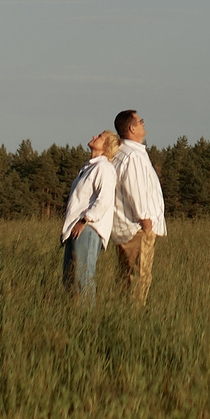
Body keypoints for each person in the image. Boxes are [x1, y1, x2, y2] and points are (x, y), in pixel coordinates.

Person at [109, 108, 167, 306]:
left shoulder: (124, 153)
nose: (144, 124)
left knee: (127, 278)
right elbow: (136, 191)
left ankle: (126, 314)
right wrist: (146, 222)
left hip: (130, 228)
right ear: (132, 128)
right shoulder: (132, 156)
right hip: (137, 230)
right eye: (141, 121)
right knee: (138, 279)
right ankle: (134, 318)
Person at [60, 131, 119, 307]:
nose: (94, 137)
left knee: (82, 277)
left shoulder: (104, 168)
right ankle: (73, 316)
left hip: (88, 229)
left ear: (106, 146)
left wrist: (85, 220)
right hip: (76, 228)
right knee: (70, 278)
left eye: (99, 137)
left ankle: (86, 319)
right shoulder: (88, 168)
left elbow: (105, 199)